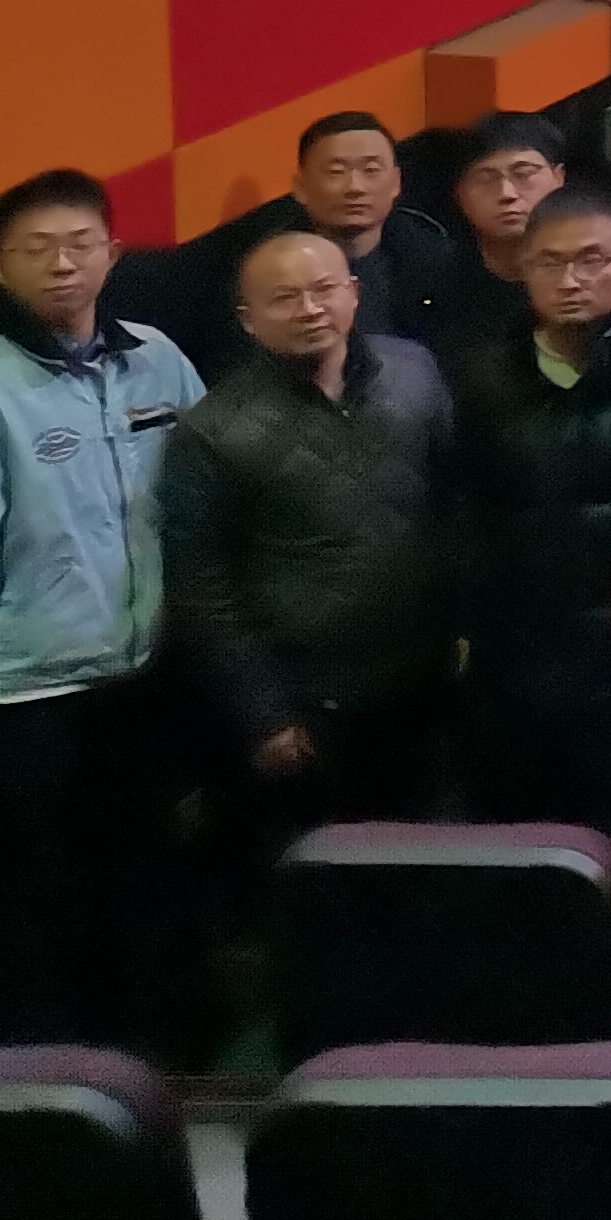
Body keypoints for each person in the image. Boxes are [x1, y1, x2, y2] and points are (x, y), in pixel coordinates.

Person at [0, 170, 209, 1044]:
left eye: (79, 245)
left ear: (113, 253)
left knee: (150, 880)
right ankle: (53, 1072)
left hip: (149, 678)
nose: (63, 264)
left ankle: (151, 1062)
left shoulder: (159, 359)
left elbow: (210, 487)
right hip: (33, 696)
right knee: (44, 900)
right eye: (38, 250)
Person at [164, 224, 462, 830]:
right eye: (285, 297)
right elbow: (202, 589)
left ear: (354, 293)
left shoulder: (415, 370)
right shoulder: (211, 430)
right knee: (322, 865)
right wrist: (263, 713)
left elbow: (453, 506)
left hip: (427, 686)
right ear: (248, 320)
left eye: (324, 289)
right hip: (308, 703)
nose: (310, 309)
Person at [453, 185, 611, 828]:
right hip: (526, 666)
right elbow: (467, 516)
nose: (570, 280)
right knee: (538, 850)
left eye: (592, 259)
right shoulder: (481, 376)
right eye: (550, 262)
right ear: (522, 267)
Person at [159, 108, 456, 367]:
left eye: (370, 170)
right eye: (336, 172)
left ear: (396, 183)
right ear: (300, 187)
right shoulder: (263, 271)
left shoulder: (435, 256)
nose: (355, 187)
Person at [433, 115, 575, 367]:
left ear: (559, 178)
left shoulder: (603, 272)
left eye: (524, 174)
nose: (507, 194)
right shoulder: (438, 288)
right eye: (486, 178)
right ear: (460, 193)